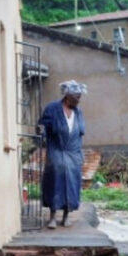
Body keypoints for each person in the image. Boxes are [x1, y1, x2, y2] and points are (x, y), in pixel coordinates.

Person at [38, 80, 87, 229]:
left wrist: (80, 155)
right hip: (56, 150)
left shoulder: (78, 112)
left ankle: (66, 216)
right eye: (77, 97)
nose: (79, 100)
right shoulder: (53, 109)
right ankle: (52, 216)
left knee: (72, 183)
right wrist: (41, 134)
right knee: (55, 181)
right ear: (68, 96)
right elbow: (42, 127)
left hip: (73, 153)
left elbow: (80, 134)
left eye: (79, 97)